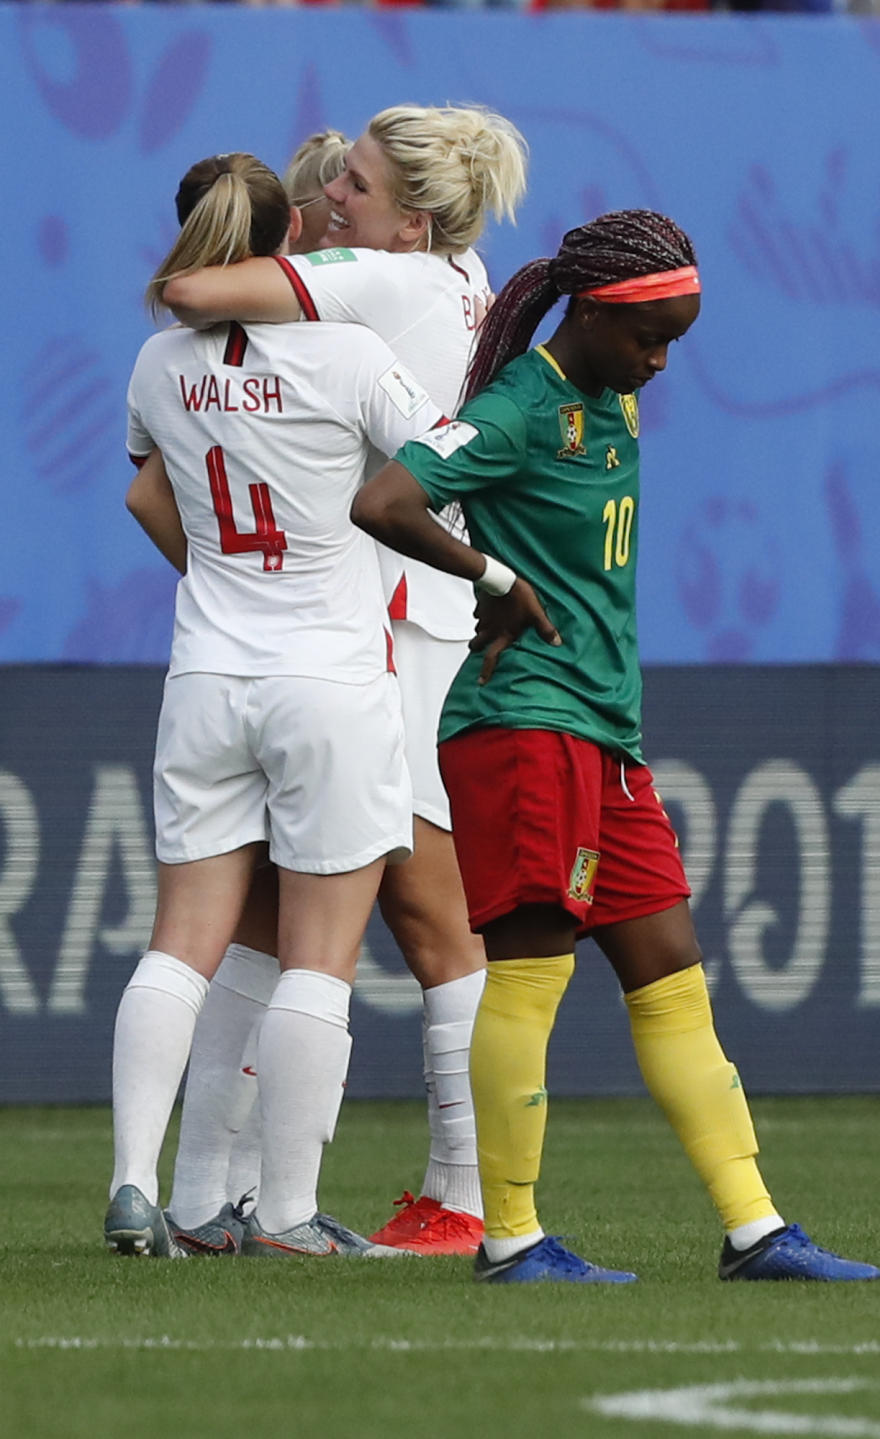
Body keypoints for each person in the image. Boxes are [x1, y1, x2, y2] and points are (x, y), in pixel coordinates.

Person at [350, 209, 880, 1285]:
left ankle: (756, 1229)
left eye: (676, 339)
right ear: (591, 312)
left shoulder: (613, 396)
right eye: (650, 337)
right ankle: (509, 1236)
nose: (660, 360)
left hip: (604, 734)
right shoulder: (515, 410)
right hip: (525, 725)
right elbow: (386, 498)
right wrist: (494, 579)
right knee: (532, 974)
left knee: (673, 974)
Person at [152, 104, 528, 1256]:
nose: (334, 210)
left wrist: (243, 232)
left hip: (396, 621)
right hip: (358, 626)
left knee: (423, 906)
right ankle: (212, 1192)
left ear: (410, 222)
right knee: (276, 902)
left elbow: (207, 289)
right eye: (335, 188)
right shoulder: (450, 273)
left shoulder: (396, 284)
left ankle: (461, 1192)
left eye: (355, 190)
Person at [106, 151, 443, 1260]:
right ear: (290, 241)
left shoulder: (158, 363)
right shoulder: (350, 352)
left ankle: (132, 1184)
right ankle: (290, 1214)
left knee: (180, 944)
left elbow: (149, 493)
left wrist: (211, 575)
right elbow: (439, 462)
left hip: (207, 673)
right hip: (332, 682)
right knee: (317, 957)